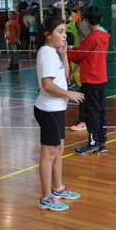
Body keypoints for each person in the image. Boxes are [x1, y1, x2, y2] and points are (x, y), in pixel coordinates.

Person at [34, 16, 84, 211]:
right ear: (48, 35)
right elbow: (47, 85)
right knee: (48, 154)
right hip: (49, 110)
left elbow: (63, 77)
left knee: (59, 150)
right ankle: (46, 198)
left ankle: (58, 188)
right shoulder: (46, 53)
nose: (64, 36)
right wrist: (69, 94)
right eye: (60, 32)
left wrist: (63, 54)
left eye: (65, 32)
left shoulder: (53, 52)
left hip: (56, 109)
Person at [68, 6, 110, 156]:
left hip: (91, 80)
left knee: (92, 113)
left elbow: (77, 54)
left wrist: (64, 50)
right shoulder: (104, 35)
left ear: (87, 21)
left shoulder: (92, 37)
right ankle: (101, 142)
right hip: (101, 78)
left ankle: (93, 144)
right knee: (100, 111)